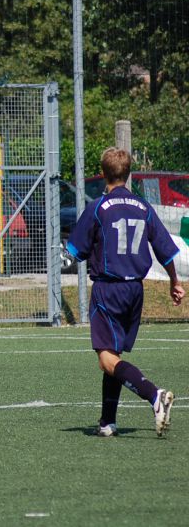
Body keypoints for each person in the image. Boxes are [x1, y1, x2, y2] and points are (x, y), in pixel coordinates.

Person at [66, 147, 183, 437]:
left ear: (103, 173)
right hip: (135, 291)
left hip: (109, 289)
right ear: (128, 173)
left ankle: (154, 395)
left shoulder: (97, 207)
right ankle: (107, 422)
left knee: (106, 358)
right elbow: (166, 251)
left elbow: (74, 252)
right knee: (114, 355)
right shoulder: (144, 207)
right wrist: (174, 282)